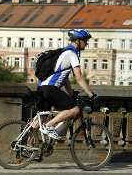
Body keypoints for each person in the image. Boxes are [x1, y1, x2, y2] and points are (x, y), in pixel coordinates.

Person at [22, 28, 96, 158]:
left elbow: (64, 77)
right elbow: (79, 77)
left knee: (40, 119)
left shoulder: (63, 52)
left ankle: (27, 149)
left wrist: (71, 93)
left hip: (42, 87)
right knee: (74, 110)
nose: (86, 43)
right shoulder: (72, 54)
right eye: (85, 41)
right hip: (51, 88)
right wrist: (90, 93)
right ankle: (49, 126)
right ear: (78, 41)